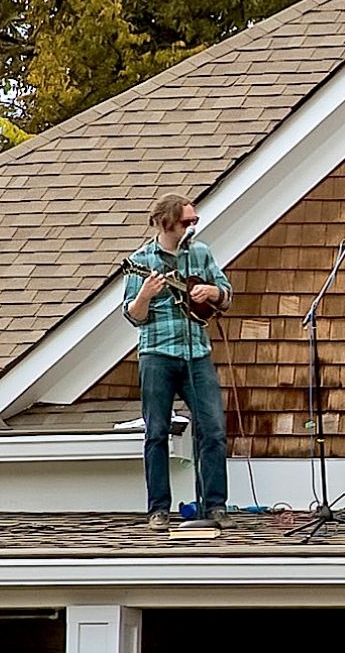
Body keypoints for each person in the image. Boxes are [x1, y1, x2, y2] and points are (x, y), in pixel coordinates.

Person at [123, 194, 235, 531]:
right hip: (157, 353)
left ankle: (214, 505)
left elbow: (226, 294)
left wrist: (211, 293)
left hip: (197, 353)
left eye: (194, 221)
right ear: (164, 222)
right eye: (186, 222)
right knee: (156, 432)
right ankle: (159, 509)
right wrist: (145, 294)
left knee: (213, 430)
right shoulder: (141, 259)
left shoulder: (200, 253)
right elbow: (134, 316)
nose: (192, 227)